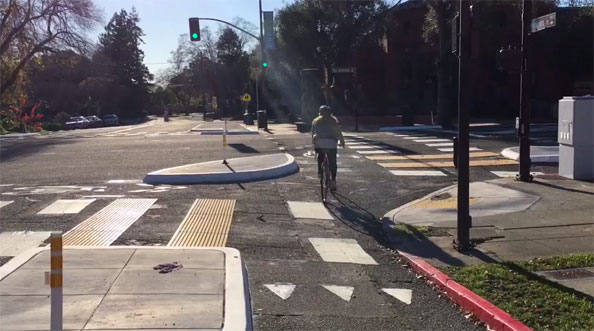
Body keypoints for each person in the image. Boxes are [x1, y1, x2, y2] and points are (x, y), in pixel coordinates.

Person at [312, 105, 345, 192]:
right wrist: (342, 141)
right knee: (333, 161)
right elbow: (338, 133)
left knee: (320, 155)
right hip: (331, 143)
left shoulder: (316, 121)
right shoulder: (334, 121)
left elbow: (313, 134)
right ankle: (333, 180)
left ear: (320, 112)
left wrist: (314, 142)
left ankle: (320, 171)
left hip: (320, 143)